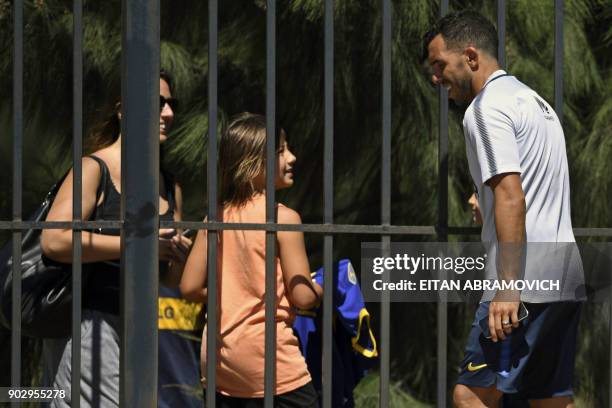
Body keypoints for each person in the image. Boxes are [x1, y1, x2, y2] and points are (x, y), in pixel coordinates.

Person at [424, 11, 584, 408]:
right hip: (565, 273)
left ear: (471, 57)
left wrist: (507, 287)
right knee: (546, 399)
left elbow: (513, 197)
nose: (435, 78)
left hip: (525, 281)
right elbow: (531, 190)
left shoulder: (485, 109)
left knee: (469, 395)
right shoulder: (536, 103)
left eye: (440, 65)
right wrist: (491, 206)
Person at [40, 72, 200, 407]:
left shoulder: (171, 186)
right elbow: (54, 240)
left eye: (172, 104)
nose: (169, 113)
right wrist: (140, 246)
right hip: (90, 324)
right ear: (123, 110)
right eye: (158, 103)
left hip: (146, 329)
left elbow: (169, 279)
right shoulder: (93, 169)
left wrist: (181, 254)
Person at [180, 112, 322, 407]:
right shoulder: (283, 219)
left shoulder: (215, 218)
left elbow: (190, 287)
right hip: (271, 363)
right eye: (281, 151)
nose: (292, 157)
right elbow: (303, 296)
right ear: (254, 162)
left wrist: (231, 296)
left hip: (223, 365)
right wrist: (323, 288)